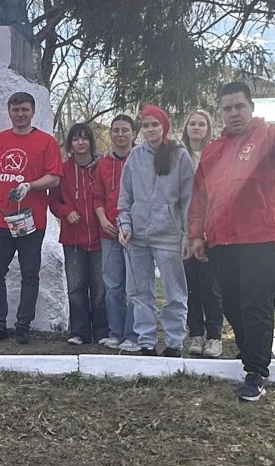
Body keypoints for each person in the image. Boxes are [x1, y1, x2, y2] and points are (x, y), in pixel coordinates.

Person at [190, 82, 275, 401]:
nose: (234, 113)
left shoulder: (268, 136)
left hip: (260, 239)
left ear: (251, 107)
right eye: (228, 108)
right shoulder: (213, 150)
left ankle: (256, 371)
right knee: (232, 305)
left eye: (239, 106)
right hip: (222, 241)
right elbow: (200, 196)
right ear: (221, 112)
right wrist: (196, 234)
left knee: (255, 304)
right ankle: (253, 352)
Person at [0, 92, 62, 344]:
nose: (20, 114)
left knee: (30, 274)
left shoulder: (46, 142)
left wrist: (30, 186)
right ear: (9, 111)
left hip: (32, 221)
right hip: (1, 221)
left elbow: (54, 177)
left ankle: (23, 326)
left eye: (24, 110)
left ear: (33, 112)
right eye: (15, 109)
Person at [118, 105, 194, 357]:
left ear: (164, 127)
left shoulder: (179, 155)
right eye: (146, 125)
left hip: (169, 236)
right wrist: (125, 225)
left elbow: (188, 199)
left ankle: (174, 342)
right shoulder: (135, 156)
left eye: (155, 125)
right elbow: (125, 197)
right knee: (139, 292)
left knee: (174, 292)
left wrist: (187, 235)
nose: (150, 129)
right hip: (137, 237)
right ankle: (147, 341)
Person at [49, 122, 107, 345]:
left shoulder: (102, 166)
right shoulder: (62, 170)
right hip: (73, 239)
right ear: (70, 143)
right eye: (75, 139)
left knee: (101, 288)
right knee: (76, 287)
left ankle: (103, 331)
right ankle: (80, 331)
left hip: (101, 237)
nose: (80, 142)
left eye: (84, 138)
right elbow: (53, 201)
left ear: (91, 141)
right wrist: (66, 211)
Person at [92, 115, 140, 352]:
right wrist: (102, 219)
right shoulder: (102, 163)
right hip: (109, 232)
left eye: (125, 130)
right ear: (110, 134)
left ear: (133, 134)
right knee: (113, 286)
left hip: (135, 233)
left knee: (134, 288)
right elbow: (98, 196)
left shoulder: (142, 159)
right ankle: (115, 333)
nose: (120, 135)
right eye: (116, 130)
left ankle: (133, 334)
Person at [180, 110, 224, 358]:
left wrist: (206, 231)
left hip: (210, 231)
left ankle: (215, 336)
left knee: (211, 287)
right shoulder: (178, 155)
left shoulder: (215, 154)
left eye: (201, 124)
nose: (196, 128)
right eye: (192, 124)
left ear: (208, 128)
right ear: (186, 128)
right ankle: (195, 334)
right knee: (190, 287)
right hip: (184, 233)